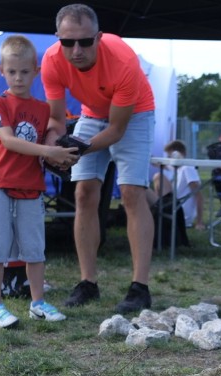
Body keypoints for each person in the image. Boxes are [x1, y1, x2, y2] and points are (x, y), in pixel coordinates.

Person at [41, 3, 156, 314]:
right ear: (57, 39)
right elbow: (56, 120)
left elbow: (117, 129)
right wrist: (53, 147)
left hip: (135, 115)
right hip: (92, 112)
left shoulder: (123, 60)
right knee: (83, 193)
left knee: (132, 193)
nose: (76, 50)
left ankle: (139, 287)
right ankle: (88, 282)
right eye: (67, 42)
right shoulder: (51, 60)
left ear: (99, 37)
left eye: (85, 41)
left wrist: (74, 149)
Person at [0, 34, 80, 329]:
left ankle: (37, 303)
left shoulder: (44, 109)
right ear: (1, 71)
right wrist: (49, 151)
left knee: (35, 249)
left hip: (32, 187)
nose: (18, 77)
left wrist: (61, 153)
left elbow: (54, 129)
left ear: (36, 71)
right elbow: (9, 141)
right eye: (11, 71)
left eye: (25, 72)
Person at [149, 140, 204, 230]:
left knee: (157, 177)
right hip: (176, 211)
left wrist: (199, 222)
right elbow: (158, 164)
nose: (168, 159)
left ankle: (156, 212)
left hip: (181, 216)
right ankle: (154, 213)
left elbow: (199, 196)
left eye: (170, 156)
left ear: (178, 154)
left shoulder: (187, 168)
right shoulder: (177, 168)